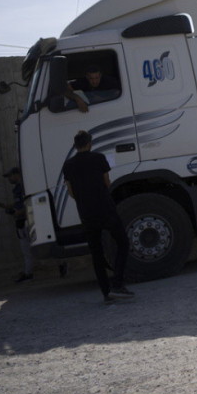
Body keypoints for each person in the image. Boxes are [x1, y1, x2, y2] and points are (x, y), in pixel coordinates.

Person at [61, 130, 134, 303]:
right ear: (89, 143)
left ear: (74, 146)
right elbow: (107, 182)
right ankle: (117, 284)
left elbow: (71, 192)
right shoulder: (99, 158)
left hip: (86, 213)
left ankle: (106, 292)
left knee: (96, 253)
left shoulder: (68, 165)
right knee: (123, 242)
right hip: (105, 208)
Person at [0, 167, 34, 283]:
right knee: (26, 250)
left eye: (10, 176)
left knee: (28, 249)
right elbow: (19, 203)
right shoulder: (17, 189)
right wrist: (8, 207)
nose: (9, 179)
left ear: (16, 174)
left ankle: (29, 273)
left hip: (27, 221)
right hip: (21, 222)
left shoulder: (24, 187)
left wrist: (19, 212)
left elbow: (30, 203)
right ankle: (28, 272)